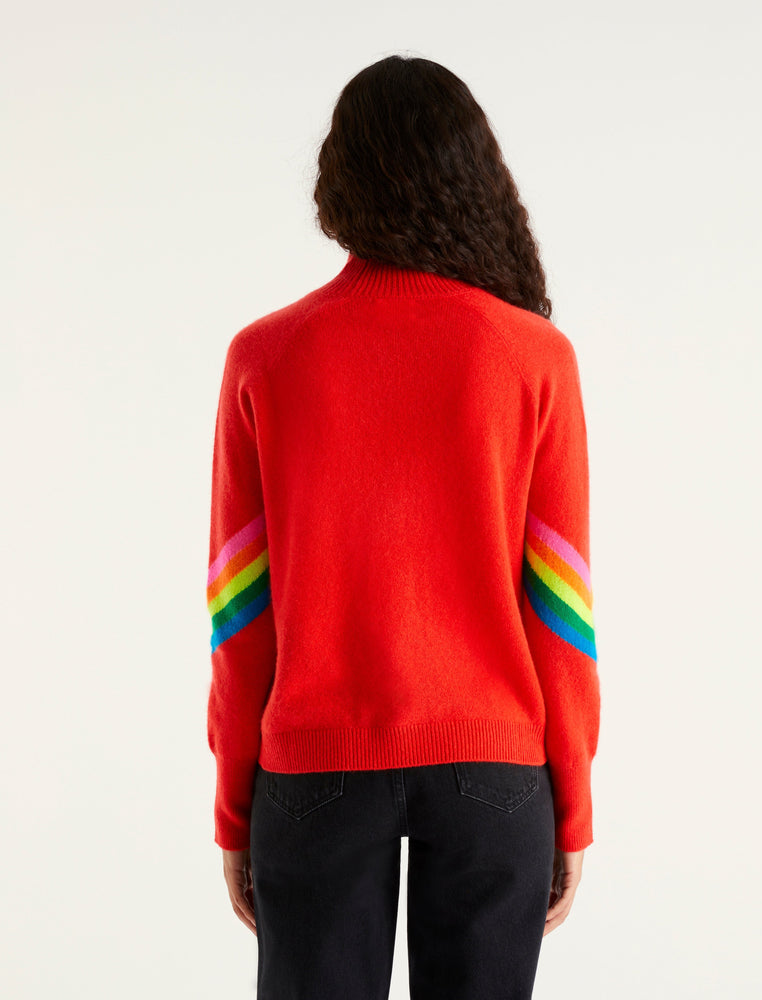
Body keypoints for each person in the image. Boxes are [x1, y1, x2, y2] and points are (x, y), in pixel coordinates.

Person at [205, 53, 601, 999]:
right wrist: (573, 805)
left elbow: (238, 610)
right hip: (496, 775)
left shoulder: (266, 357)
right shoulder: (534, 357)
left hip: (314, 775)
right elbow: (561, 606)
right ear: (475, 176)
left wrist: (234, 809)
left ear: (338, 181)